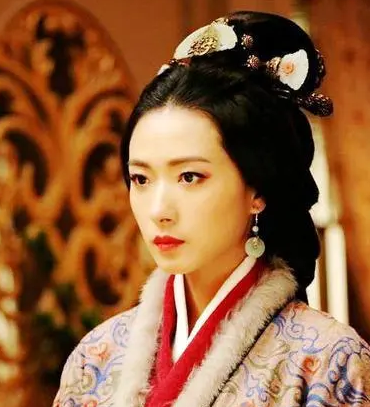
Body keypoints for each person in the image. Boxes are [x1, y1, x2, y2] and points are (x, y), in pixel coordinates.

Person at [53, 11, 370, 407]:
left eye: (189, 177)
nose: (159, 210)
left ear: (257, 189)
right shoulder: (95, 358)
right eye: (141, 179)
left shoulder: (327, 360)